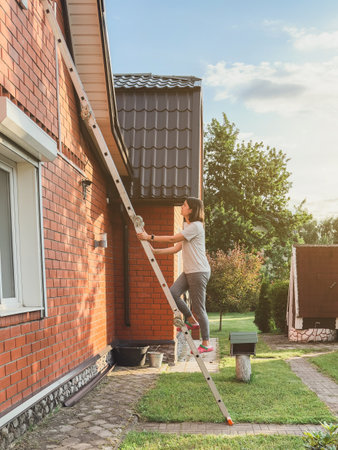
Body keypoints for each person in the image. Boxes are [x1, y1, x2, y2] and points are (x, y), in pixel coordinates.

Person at [137, 197, 213, 353]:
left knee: (199, 308)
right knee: (172, 293)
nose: (182, 207)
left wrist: (149, 237)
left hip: (199, 271)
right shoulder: (187, 226)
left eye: (184, 205)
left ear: (191, 209)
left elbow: (172, 238)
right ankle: (191, 320)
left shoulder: (196, 227)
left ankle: (206, 342)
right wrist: (156, 251)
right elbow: (177, 247)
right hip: (189, 271)